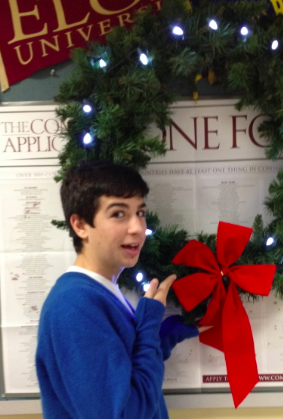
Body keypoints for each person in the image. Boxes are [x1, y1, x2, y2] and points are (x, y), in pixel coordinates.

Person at [36, 160, 199, 419]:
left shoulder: (100, 290)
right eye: (118, 214)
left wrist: (167, 333)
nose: (137, 227)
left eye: (140, 213)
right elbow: (125, 413)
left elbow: (124, 363)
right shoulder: (73, 305)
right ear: (79, 225)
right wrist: (147, 326)